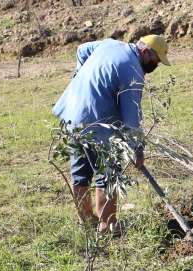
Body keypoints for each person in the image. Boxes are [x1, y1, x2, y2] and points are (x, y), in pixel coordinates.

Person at [52, 35, 171, 234]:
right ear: (144, 52)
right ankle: (107, 225)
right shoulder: (132, 69)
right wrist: (137, 149)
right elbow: (131, 115)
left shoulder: (110, 43)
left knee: (80, 173)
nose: (155, 66)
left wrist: (81, 78)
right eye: (156, 61)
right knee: (108, 173)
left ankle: (87, 221)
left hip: (72, 112)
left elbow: (81, 50)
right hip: (95, 121)